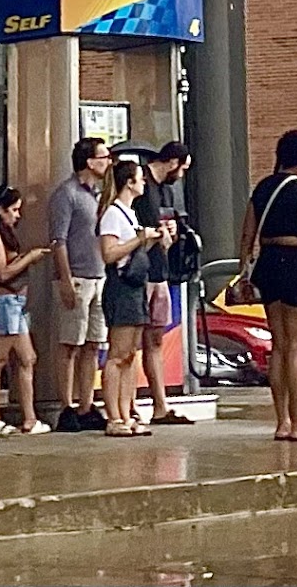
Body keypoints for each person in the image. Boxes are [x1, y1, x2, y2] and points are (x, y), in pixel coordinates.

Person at [240, 129, 297, 443]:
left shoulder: (263, 188)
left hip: (269, 266)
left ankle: (281, 422)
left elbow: (247, 235)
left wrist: (244, 272)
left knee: (279, 345)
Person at [96, 158, 166, 437]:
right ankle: (113, 416)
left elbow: (133, 252)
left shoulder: (130, 213)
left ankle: (126, 412)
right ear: (129, 182)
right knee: (117, 354)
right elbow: (109, 253)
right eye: (140, 177)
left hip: (136, 284)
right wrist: (139, 239)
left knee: (129, 355)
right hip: (121, 286)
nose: (144, 182)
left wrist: (153, 239)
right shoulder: (112, 214)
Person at [47, 136, 113, 433]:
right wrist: (64, 278)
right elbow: (58, 240)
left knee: (93, 343)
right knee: (70, 343)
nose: (108, 162)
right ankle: (67, 405)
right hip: (76, 275)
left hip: (98, 275)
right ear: (89, 161)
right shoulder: (67, 194)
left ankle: (87, 403)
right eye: (103, 157)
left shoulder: (98, 194)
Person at [0, 185, 51, 437]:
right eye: (13, 210)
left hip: (16, 302)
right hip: (5, 300)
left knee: (27, 358)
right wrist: (29, 258)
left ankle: (29, 417)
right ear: (0, 210)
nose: (17, 215)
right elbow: (1, 272)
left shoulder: (5, 232)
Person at [136, 142, 195, 426]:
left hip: (160, 269)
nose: (181, 175)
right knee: (132, 341)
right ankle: (130, 404)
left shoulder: (165, 190)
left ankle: (160, 404)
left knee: (155, 338)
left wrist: (171, 231)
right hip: (141, 270)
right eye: (182, 168)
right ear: (173, 163)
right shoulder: (142, 186)